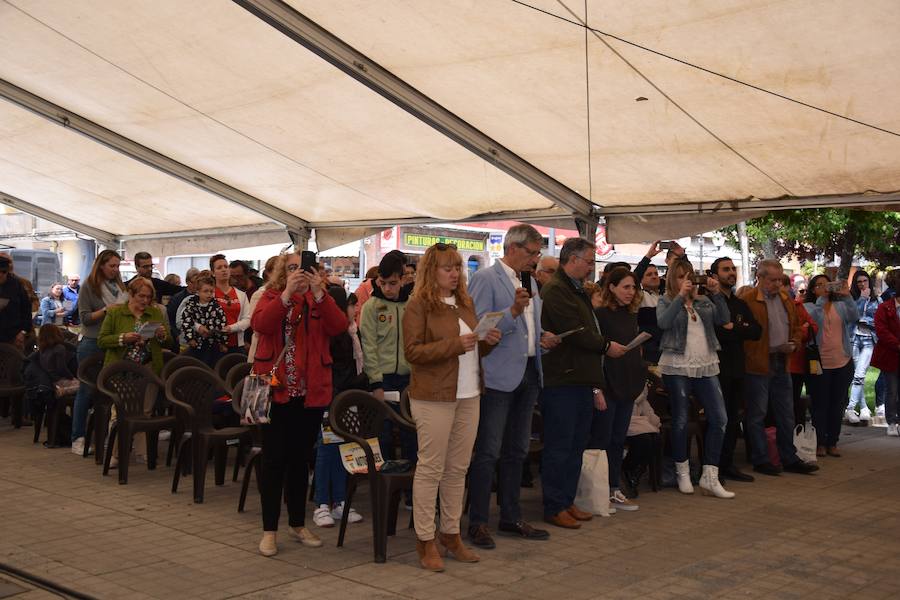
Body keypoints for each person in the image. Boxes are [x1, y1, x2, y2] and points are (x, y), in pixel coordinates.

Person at [402, 243, 501, 571]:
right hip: (433, 395)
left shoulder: (464, 302)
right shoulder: (418, 305)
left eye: (457, 267)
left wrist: (485, 342)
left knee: (458, 468)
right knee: (431, 468)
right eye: (448, 267)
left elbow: (471, 351)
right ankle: (425, 539)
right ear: (432, 271)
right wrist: (455, 345)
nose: (455, 273)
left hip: (469, 392)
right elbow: (413, 352)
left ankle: (450, 532)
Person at [252, 252, 347, 558]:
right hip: (277, 394)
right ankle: (269, 531)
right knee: (273, 462)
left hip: (310, 395)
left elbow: (339, 327)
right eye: (292, 269)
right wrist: (286, 295)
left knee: (300, 461)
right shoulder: (271, 296)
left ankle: (296, 523)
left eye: (304, 269)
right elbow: (261, 325)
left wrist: (320, 293)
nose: (299, 274)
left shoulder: (319, 300)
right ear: (282, 273)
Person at [466, 224, 555, 549]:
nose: (535, 259)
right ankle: (477, 522)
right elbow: (479, 325)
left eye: (537, 253)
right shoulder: (486, 278)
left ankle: (511, 515)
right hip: (499, 375)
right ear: (513, 248)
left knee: (517, 451)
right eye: (532, 253)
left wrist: (543, 340)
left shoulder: (530, 280)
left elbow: (530, 326)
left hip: (530, 371)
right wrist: (513, 311)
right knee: (488, 451)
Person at [539, 237, 619, 528]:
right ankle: (553, 505)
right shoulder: (556, 290)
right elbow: (577, 333)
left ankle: (566, 500)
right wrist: (606, 346)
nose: (590, 266)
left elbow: (587, 328)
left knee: (576, 445)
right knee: (560, 445)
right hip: (563, 378)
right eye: (588, 261)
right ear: (572, 259)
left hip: (581, 378)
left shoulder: (577, 290)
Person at [657, 259, 734, 498]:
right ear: (672, 279)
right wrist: (680, 296)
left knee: (720, 418)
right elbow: (663, 323)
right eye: (680, 277)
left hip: (706, 362)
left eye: (689, 277)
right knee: (680, 418)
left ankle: (710, 476)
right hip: (677, 364)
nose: (687, 282)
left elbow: (725, 321)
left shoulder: (704, 302)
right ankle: (682, 471)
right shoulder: (666, 300)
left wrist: (717, 293)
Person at [737, 260, 819, 476]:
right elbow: (741, 334)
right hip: (757, 363)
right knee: (757, 413)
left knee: (786, 413)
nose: (777, 284)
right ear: (760, 277)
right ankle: (761, 459)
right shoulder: (747, 300)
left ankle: (789, 457)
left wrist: (794, 342)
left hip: (782, 360)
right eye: (772, 280)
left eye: (780, 280)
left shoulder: (785, 299)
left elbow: (796, 327)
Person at [98, 277, 171, 465]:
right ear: (131, 294)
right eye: (141, 296)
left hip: (147, 367)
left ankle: (141, 451)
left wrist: (162, 336)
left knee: (145, 411)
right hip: (121, 368)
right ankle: (115, 454)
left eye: (148, 297)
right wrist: (123, 338)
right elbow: (102, 340)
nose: (145, 301)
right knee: (119, 411)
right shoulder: (116, 313)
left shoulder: (155, 312)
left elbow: (170, 341)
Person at [591, 267, 646, 510]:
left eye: (633, 287)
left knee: (617, 440)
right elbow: (594, 354)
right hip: (608, 384)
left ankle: (613, 488)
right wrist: (596, 389)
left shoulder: (630, 314)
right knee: (603, 440)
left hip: (628, 385)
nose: (630, 292)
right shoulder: (600, 315)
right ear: (611, 287)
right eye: (625, 287)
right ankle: (598, 490)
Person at [313, 288, 366, 528]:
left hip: (347, 400)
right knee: (327, 450)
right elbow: (335, 370)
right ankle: (322, 503)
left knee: (344, 449)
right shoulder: (332, 333)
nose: (355, 310)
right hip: (330, 399)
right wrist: (358, 382)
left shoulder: (354, 332)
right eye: (351, 305)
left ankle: (341, 501)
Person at [358, 251, 416, 470]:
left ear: (403, 279)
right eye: (383, 283)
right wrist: (376, 384)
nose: (388, 288)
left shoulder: (411, 305)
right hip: (383, 380)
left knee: (411, 434)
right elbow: (369, 348)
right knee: (383, 436)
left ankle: (411, 493)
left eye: (393, 283)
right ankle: (383, 488)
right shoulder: (370, 307)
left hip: (408, 380)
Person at [71, 250, 128, 456]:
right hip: (92, 342)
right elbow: (84, 318)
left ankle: (106, 437)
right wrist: (107, 309)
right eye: (112, 266)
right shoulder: (89, 286)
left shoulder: (120, 286)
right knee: (86, 391)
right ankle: (78, 437)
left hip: (113, 342)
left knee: (109, 392)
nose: (115, 270)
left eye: (117, 266)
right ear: (101, 265)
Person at [710, 257, 761, 483]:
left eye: (733, 269)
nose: (731, 273)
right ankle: (712, 467)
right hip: (716, 370)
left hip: (738, 368)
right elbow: (719, 333)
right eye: (725, 269)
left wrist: (735, 327)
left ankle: (727, 464)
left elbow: (756, 331)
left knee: (733, 419)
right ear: (714, 274)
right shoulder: (709, 302)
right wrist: (739, 329)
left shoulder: (740, 304)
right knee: (718, 420)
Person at [804, 275, 858, 456]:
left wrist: (847, 295)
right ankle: (820, 442)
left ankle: (833, 441)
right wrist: (823, 298)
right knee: (820, 404)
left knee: (837, 404)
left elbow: (854, 316)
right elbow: (814, 319)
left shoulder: (841, 306)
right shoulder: (810, 306)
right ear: (812, 290)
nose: (824, 288)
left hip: (842, 361)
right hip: (819, 362)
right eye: (819, 285)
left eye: (826, 285)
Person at [846, 270, 881, 422]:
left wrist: (866, 321)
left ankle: (851, 408)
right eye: (859, 281)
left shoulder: (876, 300)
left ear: (869, 282)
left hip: (868, 340)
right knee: (856, 375)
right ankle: (863, 407)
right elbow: (851, 317)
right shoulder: (851, 298)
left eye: (865, 281)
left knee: (860, 374)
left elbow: (878, 321)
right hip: (853, 338)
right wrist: (861, 299)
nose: (862, 284)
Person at [871, 270, 900, 436]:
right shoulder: (885, 307)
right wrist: (897, 344)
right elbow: (882, 330)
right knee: (892, 390)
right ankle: (891, 421)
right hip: (890, 355)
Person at [180, 273, 228, 368]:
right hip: (196, 344)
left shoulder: (216, 307)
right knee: (197, 367)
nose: (209, 294)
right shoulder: (191, 305)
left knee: (212, 366)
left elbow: (222, 324)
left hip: (213, 344)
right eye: (205, 291)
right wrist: (190, 339)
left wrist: (223, 342)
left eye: (211, 291)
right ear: (198, 291)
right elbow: (186, 322)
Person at [621, 387, 661, 498]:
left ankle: (636, 473)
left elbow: (649, 413)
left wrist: (654, 421)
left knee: (656, 439)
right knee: (644, 440)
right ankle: (627, 468)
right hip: (623, 424)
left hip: (639, 426)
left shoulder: (641, 398)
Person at [210, 254, 250, 354]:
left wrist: (231, 328)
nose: (224, 270)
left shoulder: (241, 295)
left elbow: (248, 319)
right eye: (219, 268)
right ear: (213, 273)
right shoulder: (208, 293)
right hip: (214, 345)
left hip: (236, 345)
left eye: (226, 266)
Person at [0, 255, 34, 349]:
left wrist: (23, 331)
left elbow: (26, 310)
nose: (0, 274)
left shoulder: (17, 285)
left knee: (14, 361)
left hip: (13, 336)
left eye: (3, 272)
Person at [168, 267, 200, 350]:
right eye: (193, 283)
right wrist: (177, 334)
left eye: (198, 282)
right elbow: (171, 319)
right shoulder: (177, 298)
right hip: (182, 338)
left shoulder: (202, 297)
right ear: (187, 282)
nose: (196, 286)